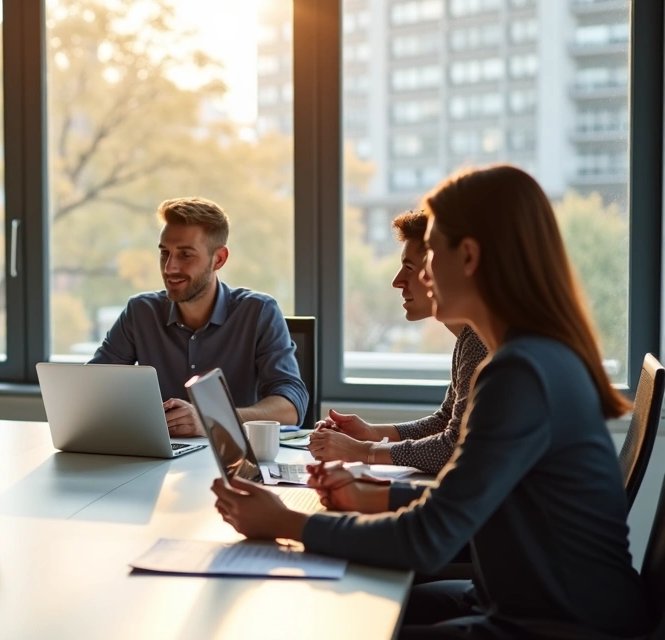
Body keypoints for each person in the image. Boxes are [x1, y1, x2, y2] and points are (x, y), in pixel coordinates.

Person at [210, 165, 650, 638]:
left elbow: (428, 539)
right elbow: (467, 497)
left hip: (555, 626)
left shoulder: (520, 374)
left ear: (469, 256)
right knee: (347, 606)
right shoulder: (533, 357)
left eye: (431, 253)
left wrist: (287, 522)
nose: (420, 272)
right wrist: (371, 494)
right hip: (519, 602)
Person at [88, 197, 307, 436]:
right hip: (155, 460)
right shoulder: (140, 312)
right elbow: (91, 390)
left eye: (185, 255)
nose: (169, 267)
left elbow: (290, 407)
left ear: (219, 259)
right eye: (165, 253)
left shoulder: (259, 312)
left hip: (232, 464)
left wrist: (212, 420)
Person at [309, 211, 488, 473]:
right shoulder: (469, 337)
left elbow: (453, 447)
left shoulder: (481, 342)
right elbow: (446, 420)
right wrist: (371, 432)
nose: (397, 281)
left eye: (412, 268)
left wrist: (360, 451)